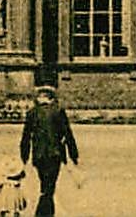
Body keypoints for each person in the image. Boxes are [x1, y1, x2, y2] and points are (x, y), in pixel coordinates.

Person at [20, 84, 79, 217]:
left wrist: (24, 157)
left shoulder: (32, 113)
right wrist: (73, 155)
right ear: (51, 97)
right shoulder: (58, 111)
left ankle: (45, 212)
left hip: (38, 156)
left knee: (45, 184)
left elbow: (25, 137)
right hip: (55, 155)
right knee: (49, 186)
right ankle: (43, 213)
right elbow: (68, 134)